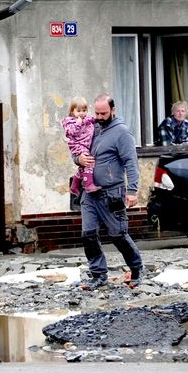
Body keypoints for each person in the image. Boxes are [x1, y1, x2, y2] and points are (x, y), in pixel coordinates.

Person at [75, 93, 144, 290]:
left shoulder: (122, 133)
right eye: (96, 112)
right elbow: (76, 148)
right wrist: (78, 159)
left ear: (113, 110)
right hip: (89, 193)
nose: (99, 116)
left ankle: (137, 269)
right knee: (88, 234)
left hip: (112, 192)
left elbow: (131, 162)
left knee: (118, 235)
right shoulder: (92, 128)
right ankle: (98, 275)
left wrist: (132, 190)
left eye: (103, 113)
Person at [62, 97, 101, 195]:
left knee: (83, 167)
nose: (82, 113)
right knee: (89, 162)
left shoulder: (86, 119)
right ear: (72, 111)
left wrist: (98, 118)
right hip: (78, 145)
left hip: (85, 146)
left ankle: (74, 185)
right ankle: (88, 184)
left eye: (84, 110)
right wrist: (78, 123)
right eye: (78, 111)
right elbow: (70, 132)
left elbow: (93, 119)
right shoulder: (69, 122)